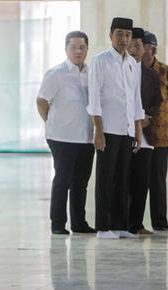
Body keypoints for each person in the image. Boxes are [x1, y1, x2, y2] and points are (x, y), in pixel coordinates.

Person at [87, 17, 145, 239]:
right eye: (119, 34)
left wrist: (138, 130)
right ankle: (103, 226)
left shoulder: (132, 63)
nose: (124, 38)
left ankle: (120, 225)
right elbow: (94, 99)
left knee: (123, 179)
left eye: (128, 35)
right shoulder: (100, 61)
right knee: (105, 179)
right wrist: (98, 131)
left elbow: (135, 98)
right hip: (108, 130)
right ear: (110, 35)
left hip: (127, 129)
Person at [36, 31, 95, 235]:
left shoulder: (91, 73)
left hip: (86, 137)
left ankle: (79, 223)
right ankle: (58, 224)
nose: (78, 51)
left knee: (81, 182)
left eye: (82, 47)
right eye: (73, 47)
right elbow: (41, 101)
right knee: (62, 180)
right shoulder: (57, 74)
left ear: (87, 48)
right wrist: (51, 122)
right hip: (62, 137)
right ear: (66, 49)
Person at [141, 31, 168, 232]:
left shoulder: (167, 72)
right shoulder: (132, 70)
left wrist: (165, 120)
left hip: (159, 136)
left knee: (157, 180)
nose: (136, 50)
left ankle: (159, 222)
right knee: (137, 180)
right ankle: (134, 221)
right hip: (137, 135)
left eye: (141, 46)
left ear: (152, 48)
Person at [128, 28, 163, 235]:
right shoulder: (119, 69)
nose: (134, 49)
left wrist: (146, 117)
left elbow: (157, 102)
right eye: (131, 45)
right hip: (124, 133)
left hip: (146, 135)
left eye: (138, 46)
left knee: (142, 182)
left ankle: (136, 224)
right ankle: (119, 222)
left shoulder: (151, 74)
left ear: (145, 50)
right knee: (123, 180)